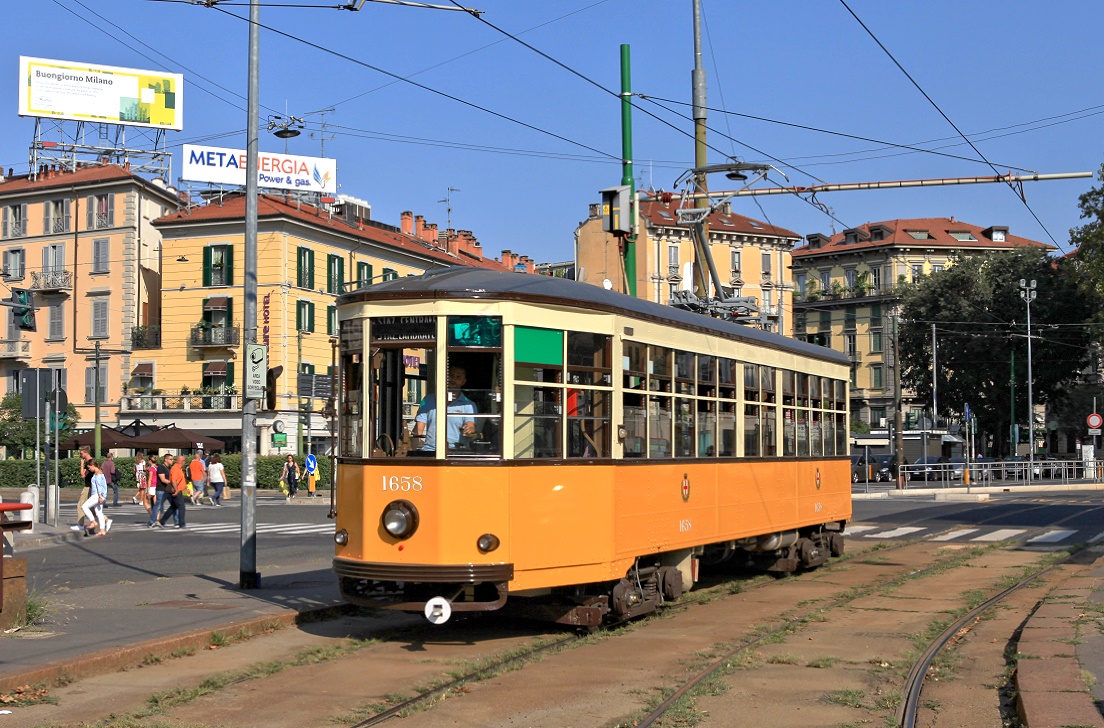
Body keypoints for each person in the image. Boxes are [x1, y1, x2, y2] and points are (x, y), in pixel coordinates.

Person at [411, 366, 476, 454]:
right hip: (430, 451)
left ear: (463, 381)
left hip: (456, 451)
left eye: (458, 377)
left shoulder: (468, 404)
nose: (453, 379)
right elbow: (418, 429)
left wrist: (468, 429)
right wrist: (413, 453)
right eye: (451, 376)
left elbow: (471, 425)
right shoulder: (428, 400)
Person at [82, 460, 112, 537]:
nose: (89, 469)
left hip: (96, 495)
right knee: (99, 513)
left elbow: (99, 486)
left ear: (93, 465)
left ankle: (93, 522)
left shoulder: (97, 474)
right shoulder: (100, 473)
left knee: (84, 507)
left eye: (89, 467)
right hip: (101, 495)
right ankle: (102, 530)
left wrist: (100, 496)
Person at [159, 455, 188, 529]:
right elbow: (174, 481)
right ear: (182, 461)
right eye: (184, 461)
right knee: (181, 507)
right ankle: (182, 524)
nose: (185, 462)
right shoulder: (175, 469)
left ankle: (162, 521)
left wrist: (186, 487)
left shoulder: (179, 469)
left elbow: (180, 480)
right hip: (177, 491)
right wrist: (176, 490)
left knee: (173, 507)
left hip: (178, 489)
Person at [71, 446, 94, 532]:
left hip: (88, 487)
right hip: (89, 486)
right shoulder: (87, 462)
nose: (81, 455)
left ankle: (80, 525)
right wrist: (81, 464)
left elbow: (83, 475)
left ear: (86, 452)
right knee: (92, 507)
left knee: (80, 505)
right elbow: (82, 475)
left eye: (81, 453)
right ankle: (105, 520)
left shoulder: (90, 462)